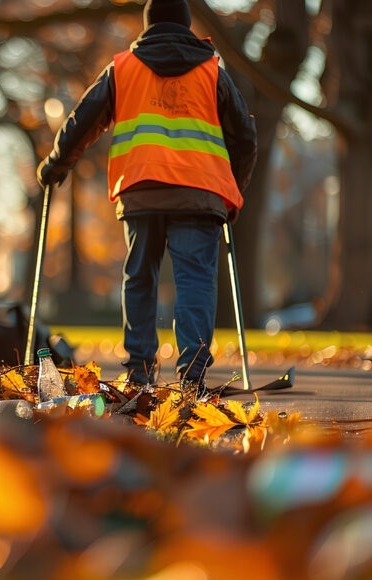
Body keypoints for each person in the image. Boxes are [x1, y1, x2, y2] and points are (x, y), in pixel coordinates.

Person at [36, 0, 257, 394]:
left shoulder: (122, 69)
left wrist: (57, 164)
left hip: (141, 190)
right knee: (194, 282)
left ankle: (139, 371)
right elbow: (244, 136)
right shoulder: (212, 71)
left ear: (148, 24)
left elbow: (82, 120)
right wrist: (233, 193)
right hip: (200, 193)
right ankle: (191, 377)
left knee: (139, 277)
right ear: (187, 25)